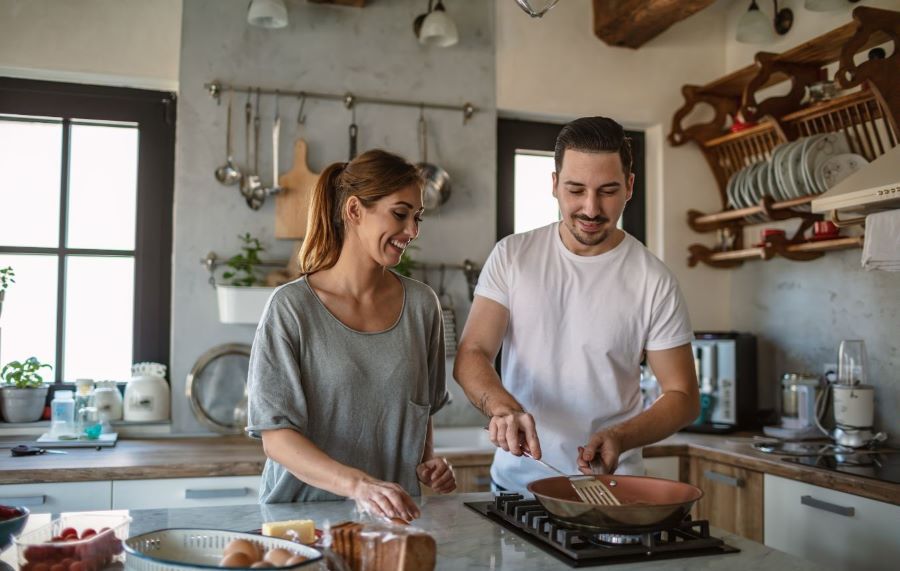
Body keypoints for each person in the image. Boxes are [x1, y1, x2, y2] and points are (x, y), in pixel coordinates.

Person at [454, 116, 700, 493]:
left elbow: (682, 396)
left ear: (630, 187)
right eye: (575, 189)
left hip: (611, 488)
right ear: (554, 185)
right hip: (518, 487)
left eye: (607, 190)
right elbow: (473, 352)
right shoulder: (512, 256)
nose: (590, 208)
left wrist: (621, 436)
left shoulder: (654, 279)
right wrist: (504, 410)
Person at [247, 149, 456, 520]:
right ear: (355, 210)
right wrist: (358, 485)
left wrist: (427, 461)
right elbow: (276, 438)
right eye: (400, 213)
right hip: (300, 521)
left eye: (417, 217)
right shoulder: (291, 308)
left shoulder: (423, 306)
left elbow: (420, 409)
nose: (412, 231)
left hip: (390, 520)